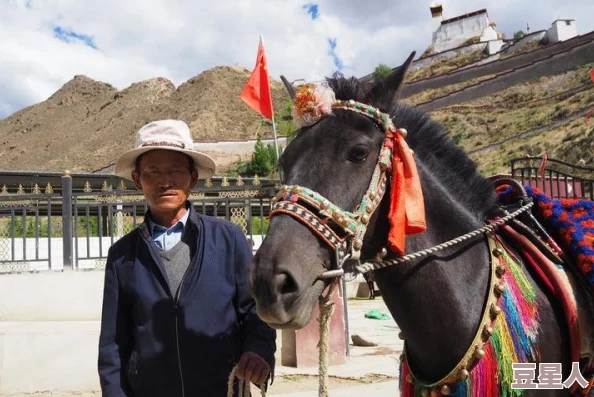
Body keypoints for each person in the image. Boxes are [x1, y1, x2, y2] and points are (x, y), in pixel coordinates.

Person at [98, 119, 276, 396]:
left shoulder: (228, 239)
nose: (164, 182)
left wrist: (258, 350)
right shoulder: (122, 255)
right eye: (152, 172)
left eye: (175, 171)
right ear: (137, 180)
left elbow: (254, 311)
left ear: (192, 178)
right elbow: (113, 344)